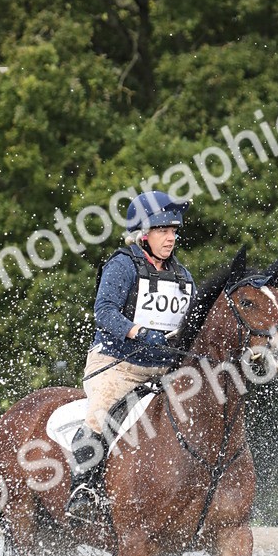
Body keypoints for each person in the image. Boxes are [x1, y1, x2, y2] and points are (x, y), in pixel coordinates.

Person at [66, 189, 196, 521]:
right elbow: (104, 313)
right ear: (143, 234)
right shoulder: (122, 265)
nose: (171, 237)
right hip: (116, 364)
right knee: (100, 414)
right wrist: (139, 332)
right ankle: (83, 488)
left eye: (173, 230)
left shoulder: (183, 277)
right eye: (163, 230)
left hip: (164, 369)